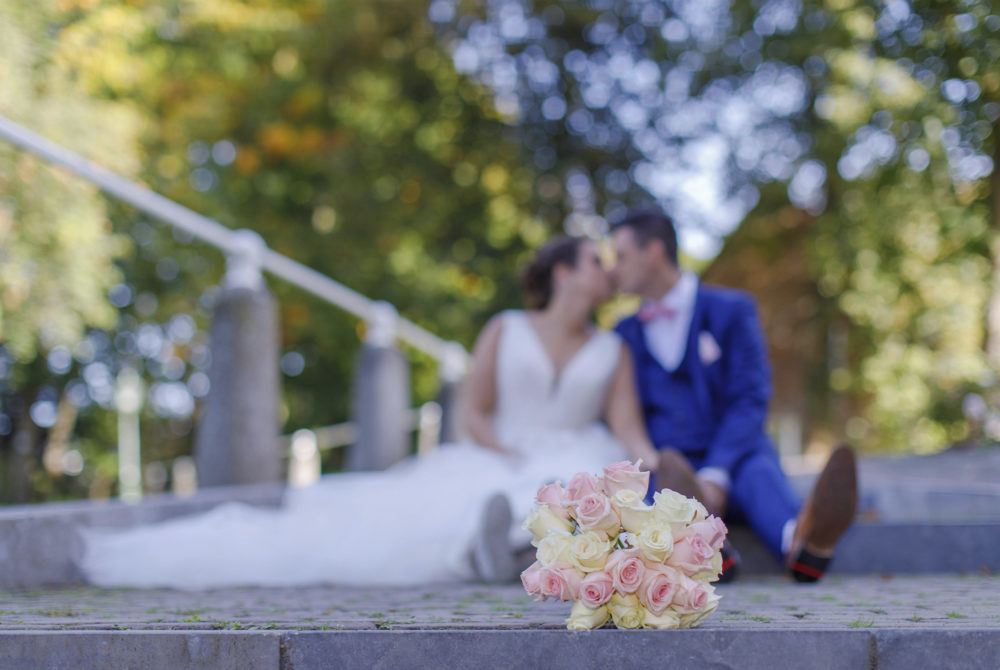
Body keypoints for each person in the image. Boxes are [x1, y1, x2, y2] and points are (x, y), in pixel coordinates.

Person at [81, 235, 663, 589]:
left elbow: (626, 424)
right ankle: (486, 543)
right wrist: (501, 448)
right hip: (501, 447)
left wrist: (656, 464)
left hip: (574, 448)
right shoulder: (505, 329)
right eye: (595, 260)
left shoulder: (615, 349)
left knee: (574, 487)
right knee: (449, 501)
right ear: (562, 272)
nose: (607, 271)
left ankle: (501, 548)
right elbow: (474, 414)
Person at [610, 207, 857, 583]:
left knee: (757, 475)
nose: (615, 268)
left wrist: (716, 473)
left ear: (654, 252)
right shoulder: (623, 331)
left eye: (622, 256)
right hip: (671, 464)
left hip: (737, 455)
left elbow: (750, 397)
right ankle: (707, 544)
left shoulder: (732, 310)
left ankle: (803, 544)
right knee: (664, 491)